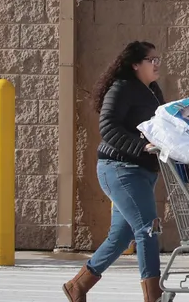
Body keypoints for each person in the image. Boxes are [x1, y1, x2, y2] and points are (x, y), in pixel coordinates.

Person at [63, 41, 167, 302]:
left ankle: (78, 285)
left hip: (143, 173)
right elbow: (108, 128)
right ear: (135, 65)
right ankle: (153, 297)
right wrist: (142, 146)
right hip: (120, 170)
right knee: (147, 228)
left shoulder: (153, 91)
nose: (156, 64)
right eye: (150, 60)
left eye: (158, 59)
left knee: (121, 237)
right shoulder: (121, 89)